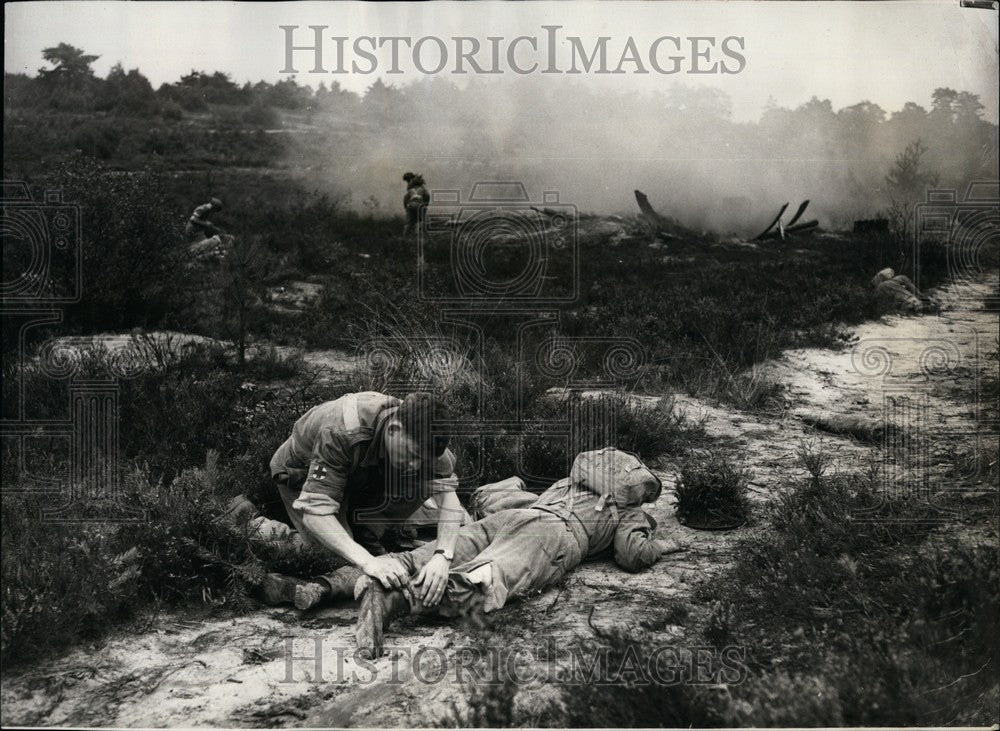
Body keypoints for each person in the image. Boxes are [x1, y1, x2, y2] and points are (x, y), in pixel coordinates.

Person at [349, 448, 686, 658]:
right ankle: (393, 602)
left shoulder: (571, 481)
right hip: (555, 535)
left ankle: (338, 582)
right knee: (488, 579)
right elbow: (631, 554)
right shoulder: (630, 509)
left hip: (517, 516)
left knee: (438, 554)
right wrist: (660, 545)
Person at [257, 391, 469, 610]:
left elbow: (449, 501)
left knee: (420, 483)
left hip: (359, 471)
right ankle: (259, 527)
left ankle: (367, 530)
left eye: (423, 460)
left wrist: (443, 556)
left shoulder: (425, 441)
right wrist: (369, 562)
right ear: (394, 430)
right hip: (303, 470)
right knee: (336, 556)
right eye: (413, 455)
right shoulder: (341, 431)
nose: (416, 465)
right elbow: (315, 514)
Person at [402, 172, 430, 236]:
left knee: (409, 222)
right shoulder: (423, 189)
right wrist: (425, 204)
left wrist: (406, 207)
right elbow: (427, 196)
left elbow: (405, 198)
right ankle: (420, 234)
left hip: (410, 205)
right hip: (420, 205)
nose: (408, 182)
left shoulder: (410, 190)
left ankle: (405, 235)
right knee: (421, 220)